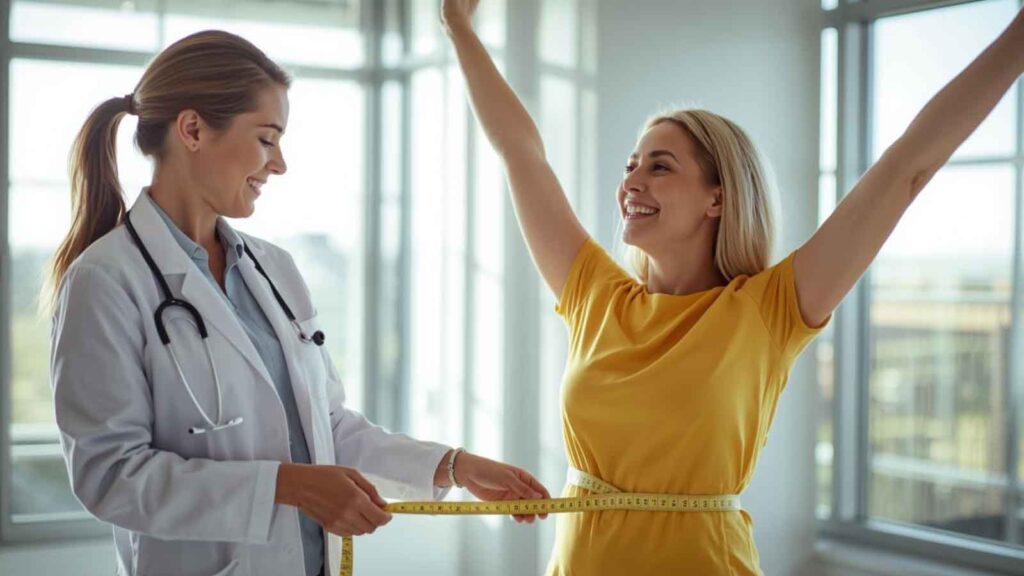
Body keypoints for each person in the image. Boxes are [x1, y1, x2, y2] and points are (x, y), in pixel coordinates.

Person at [440, 0, 1024, 573]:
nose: (631, 182)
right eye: (630, 166)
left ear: (717, 198)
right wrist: (458, 26)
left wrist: (1016, 39)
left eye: (659, 166)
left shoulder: (771, 310)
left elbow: (906, 168)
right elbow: (523, 154)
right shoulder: (596, 296)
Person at [48, 29, 549, 576]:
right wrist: (286, 485)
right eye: (267, 138)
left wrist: (453, 466)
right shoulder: (105, 281)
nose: (279, 163)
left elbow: (326, 429)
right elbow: (111, 476)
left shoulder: (274, 269)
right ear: (192, 129)